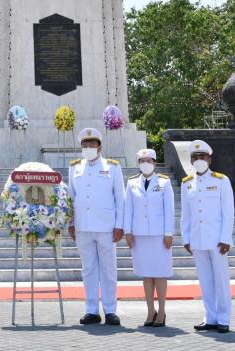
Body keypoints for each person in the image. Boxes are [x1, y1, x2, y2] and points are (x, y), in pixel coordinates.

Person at [67, 127, 125, 326]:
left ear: (100, 147)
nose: (88, 148)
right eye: (85, 145)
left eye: (92, 145)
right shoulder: (75, 167)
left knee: (108, 270)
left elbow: (120, 198)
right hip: (83, 226)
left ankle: (110, 310)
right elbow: (71, 197)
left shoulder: (112, 167)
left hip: (106, 226)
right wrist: (71, 222)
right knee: (88, 269)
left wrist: (119, 225)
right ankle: (91, 310)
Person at [180, 139, 235, 334]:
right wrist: (186, 238)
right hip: (197, 239)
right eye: (195, 157)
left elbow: (228, 212)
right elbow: (186, 214)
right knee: (205, 281)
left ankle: (224, 319)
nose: (199, 160)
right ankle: (210, 317)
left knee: (221, 281)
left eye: (202, 156)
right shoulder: (187, 184)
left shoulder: (221, 180)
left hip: (217, 240)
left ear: (210, 159)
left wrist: (226, 238)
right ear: (190, 161)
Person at [123, 148, 174, 327]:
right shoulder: (131, 183)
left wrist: (169, 233)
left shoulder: (164, 182)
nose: (145, 164)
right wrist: (127, 231)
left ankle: (162, 311)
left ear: (154, 162)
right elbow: (128, 209)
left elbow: (169, 209)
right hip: (140, 235)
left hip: (159, 235)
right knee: (146, 275)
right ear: (138, 163)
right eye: (142, 161)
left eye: (149, 160)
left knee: (160, 274)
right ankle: (150, 311)